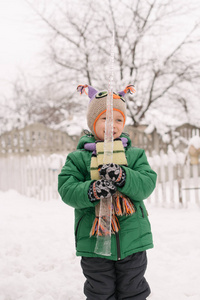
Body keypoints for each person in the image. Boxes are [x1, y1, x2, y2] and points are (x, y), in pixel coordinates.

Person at [58, 84, 157, 300]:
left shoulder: (135, 155)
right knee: (100, 292)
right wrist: (92, 190)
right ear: (93, 122)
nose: (112, 125)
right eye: (105, 118)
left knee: (134, 291)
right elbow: (67, 189)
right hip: (94, 242)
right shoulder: (78, 158)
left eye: (118, 120)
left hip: (132, 240)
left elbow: (147, 184)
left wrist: (123, 176)